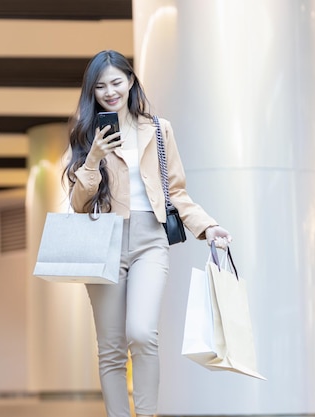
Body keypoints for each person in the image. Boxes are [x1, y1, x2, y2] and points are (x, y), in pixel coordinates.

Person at [63, 50, 232, 417]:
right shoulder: (84, 133)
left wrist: (207, 225)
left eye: (116, 82)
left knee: (142, 333)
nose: (110, 91)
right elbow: (77, 203)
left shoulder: (158, 129)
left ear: (130, 81)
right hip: (103, 241)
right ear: (91, 92)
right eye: (100, 86)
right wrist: (91, 159)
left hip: (150, 241)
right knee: (110, 346)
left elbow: (176, 190)